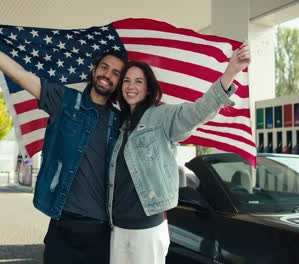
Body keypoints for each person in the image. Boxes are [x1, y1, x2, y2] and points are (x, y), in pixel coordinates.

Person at [0, 20, 126, 264]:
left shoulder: (120, 121)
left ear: (118, 83)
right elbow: (19, 74)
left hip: (101, 230)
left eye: (116, 73)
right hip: (63, 222)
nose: (107, 75)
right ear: (94, 70)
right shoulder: (64, 100)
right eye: (104, 67)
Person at [107, 42, 251, 264]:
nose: (131, 86)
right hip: (118, 226)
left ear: (148, 88)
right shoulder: (120, 125)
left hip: (147, 229)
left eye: (138, 81)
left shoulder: (162, 116)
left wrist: (231, 72)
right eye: (126, 80)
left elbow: (198, 111)